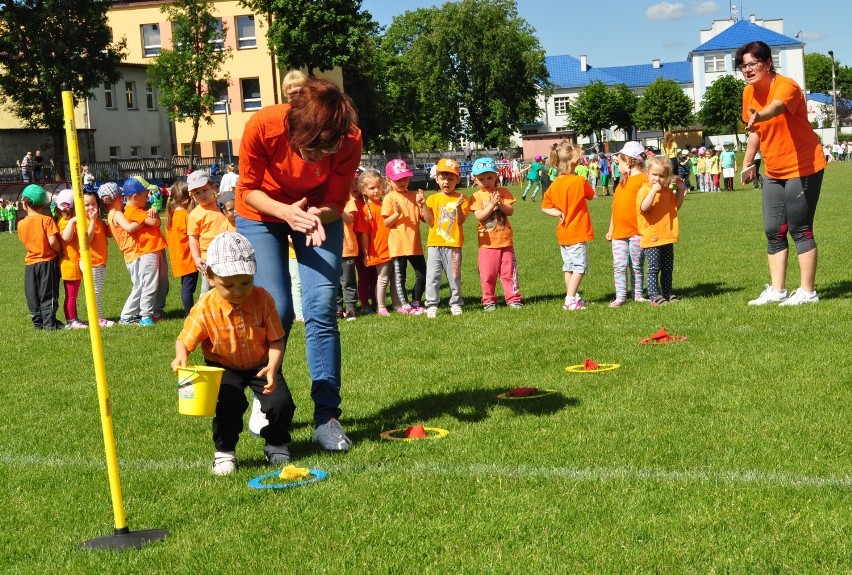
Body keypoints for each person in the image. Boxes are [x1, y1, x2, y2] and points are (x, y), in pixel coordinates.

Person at [234, 76, 361, 452]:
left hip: (318, 218)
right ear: (296, 128)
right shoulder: (263, 126)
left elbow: (336, 202)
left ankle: (327, 418)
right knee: (277, 308)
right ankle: (266, 398)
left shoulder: (349, 138)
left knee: (322, 306)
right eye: (313, 151)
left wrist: (314, 215)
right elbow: (247, 190)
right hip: (263, 213)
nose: (321, 159)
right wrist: (287, 214)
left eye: (328, 150)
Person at [171, 231, 295, 476]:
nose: (238, 291)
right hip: (223, 366)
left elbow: (276, 340)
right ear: (210, 276)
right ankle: (225, 451)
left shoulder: (263, 299)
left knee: (281, 403)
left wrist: (272, 367)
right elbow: (184, 340)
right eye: (228, 285)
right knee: (229, 403)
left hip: (261, 363)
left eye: (245, 282)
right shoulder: (205, 306)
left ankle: (276, 443)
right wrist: (181, 355)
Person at [736, 40, 826, 306]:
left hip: (803, 166)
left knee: (800, 227)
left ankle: (808, 292)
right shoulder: (747, 93)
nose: (748, 69)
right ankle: (777, 290)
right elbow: (754, 132)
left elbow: (775, 107)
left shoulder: (786, 85)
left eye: (753, 63)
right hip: (774, 169)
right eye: (743, 65)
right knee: (773, 229)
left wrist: (760, 115)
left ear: (768, 64)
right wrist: (748, 162)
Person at [541, 142, 595, 311]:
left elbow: (544, 207)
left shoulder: (554, 184)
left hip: (563, 233)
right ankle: (570, 299)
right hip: (577, 232)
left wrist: (557, 213)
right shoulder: (579, 181)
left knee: (568, 267)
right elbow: (591, 195)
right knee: (580, 267)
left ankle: (574, 297)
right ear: (573, 162)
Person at [469, 157, 522, 311]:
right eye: (482, 179)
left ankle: (513, 298)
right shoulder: (476, 196)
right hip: (487, 243)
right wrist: (491, 204)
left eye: (490, 177)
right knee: (488, 274)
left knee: (509, 273)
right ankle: (488, 300)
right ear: (475, 180)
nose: (486, 181)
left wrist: (499, 203)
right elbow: (479, 216)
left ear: (496, 176)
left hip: (505, 241)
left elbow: (510, 211)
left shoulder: (503, 192)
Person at [422, 158, 469, 318]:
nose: (446, 182)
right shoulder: (432, 199)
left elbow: (461, 220)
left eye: (450, 178)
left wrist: (458, 208)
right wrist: (422, 205)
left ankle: (456, 303)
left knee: (454, 275)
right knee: (433, 276)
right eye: (443, 178)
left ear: (457, 179)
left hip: (453, 244)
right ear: (436, 179)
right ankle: (432, 304)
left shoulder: (461, 199)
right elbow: (429, 221)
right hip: (434, 244)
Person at [637, 156, 687, 306]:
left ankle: (667, 292)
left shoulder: (666, 192)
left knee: (667, 267)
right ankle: (654, 295)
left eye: (662, 176)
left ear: (667, 177)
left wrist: (681, 190)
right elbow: (644, 207)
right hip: (652, 236)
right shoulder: (645, 189)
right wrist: (653, 191)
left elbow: (675, 207)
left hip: (667, 235)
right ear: (647, 173)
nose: (657, 179)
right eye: (654, 175)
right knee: (653, 268)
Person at [120, 177, 169, 326]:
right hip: (148, 252)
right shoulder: (132, 210)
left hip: (156, 248)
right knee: (151, 284)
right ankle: (146, 315)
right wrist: (151, 215)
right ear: (135, 197)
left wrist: (150, 216)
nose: (148, 196)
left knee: (163, 283)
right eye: (145, 194)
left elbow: (157, 222)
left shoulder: (141, 210)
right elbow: (155, 222)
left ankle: (156, 312)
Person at [382, 159, 427, 315]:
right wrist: (396, 214)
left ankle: (416, 301)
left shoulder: (414, 197)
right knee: (400, 278)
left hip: (414, 244)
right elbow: (386, 223)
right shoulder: (389, 198)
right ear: (389, 180)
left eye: (405, 178)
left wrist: (422, 204)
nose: (402, 182)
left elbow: (426, 219)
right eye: (397, 179)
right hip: (399, 245)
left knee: (423, 275)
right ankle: (404, 304)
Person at [606, 142, 648, 307]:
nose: (617, 165)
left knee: (636, 265)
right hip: (619, 233)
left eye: (619, 162)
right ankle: (620, 296)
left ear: (630, 161)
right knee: (619, 266)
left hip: (637, 231)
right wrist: (611, 229)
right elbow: (615, 208)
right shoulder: (622, 182)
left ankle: (637, 295)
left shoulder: (643, 179)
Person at [17, 184, 63, 330]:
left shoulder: (21, 224)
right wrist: (59, 251)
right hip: (46, 262)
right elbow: (52, 241)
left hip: (30, 264)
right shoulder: (47, 220)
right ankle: (50, 323)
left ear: (24, 204)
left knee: (33, 293)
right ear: (43, 204)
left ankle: (38, 323)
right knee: (48, 293)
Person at [355, 169, 393, 316]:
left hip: (391, 249)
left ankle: (383, 303)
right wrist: (365, 253)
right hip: (376, 250)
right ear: (364, 190)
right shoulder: (365, 210)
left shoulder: (386, 204)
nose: (376, 190)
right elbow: (364, 234)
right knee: (374, 279)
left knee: (388, 279)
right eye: (372, 188)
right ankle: (373, 305)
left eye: (378, 186)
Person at [187, 170, 226, 295]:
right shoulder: (194, 215)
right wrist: (197, 258)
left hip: (227, 251)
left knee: (229, 284)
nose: (202, 195)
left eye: (204, 190)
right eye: (197, 193)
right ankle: (203, 311)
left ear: (213, 187)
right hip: (208, 257)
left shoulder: (223, 204)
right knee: (207, 289)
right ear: (192, 195)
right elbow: (193, 238)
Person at [55, 189, 87, 329]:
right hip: (69, 263)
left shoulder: (67, 220)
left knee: (74, 295)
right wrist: (73, 221)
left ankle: (74, 318)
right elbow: (66, 237)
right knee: (71, 296)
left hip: (74, 262)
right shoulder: (64, 222)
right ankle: (71, 320)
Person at [165, 181, 198, 316]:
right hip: (188, 258)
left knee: (186, 287)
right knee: (188, 289)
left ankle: (189, 312)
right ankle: (189, 314)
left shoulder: (170, 215)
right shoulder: (186, 216)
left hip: (178, 258)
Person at [83, 192, 115, 327]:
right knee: (94, 292)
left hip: (100, 262)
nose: (91, 207)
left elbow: (110, 233)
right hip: (91, 261)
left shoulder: (99, 221)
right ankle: (98, 318)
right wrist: (92, 221)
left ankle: (98, 317)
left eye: (93, 204)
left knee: (98, 291)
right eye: (87, 205)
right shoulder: (83, 221)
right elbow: (87, 239)